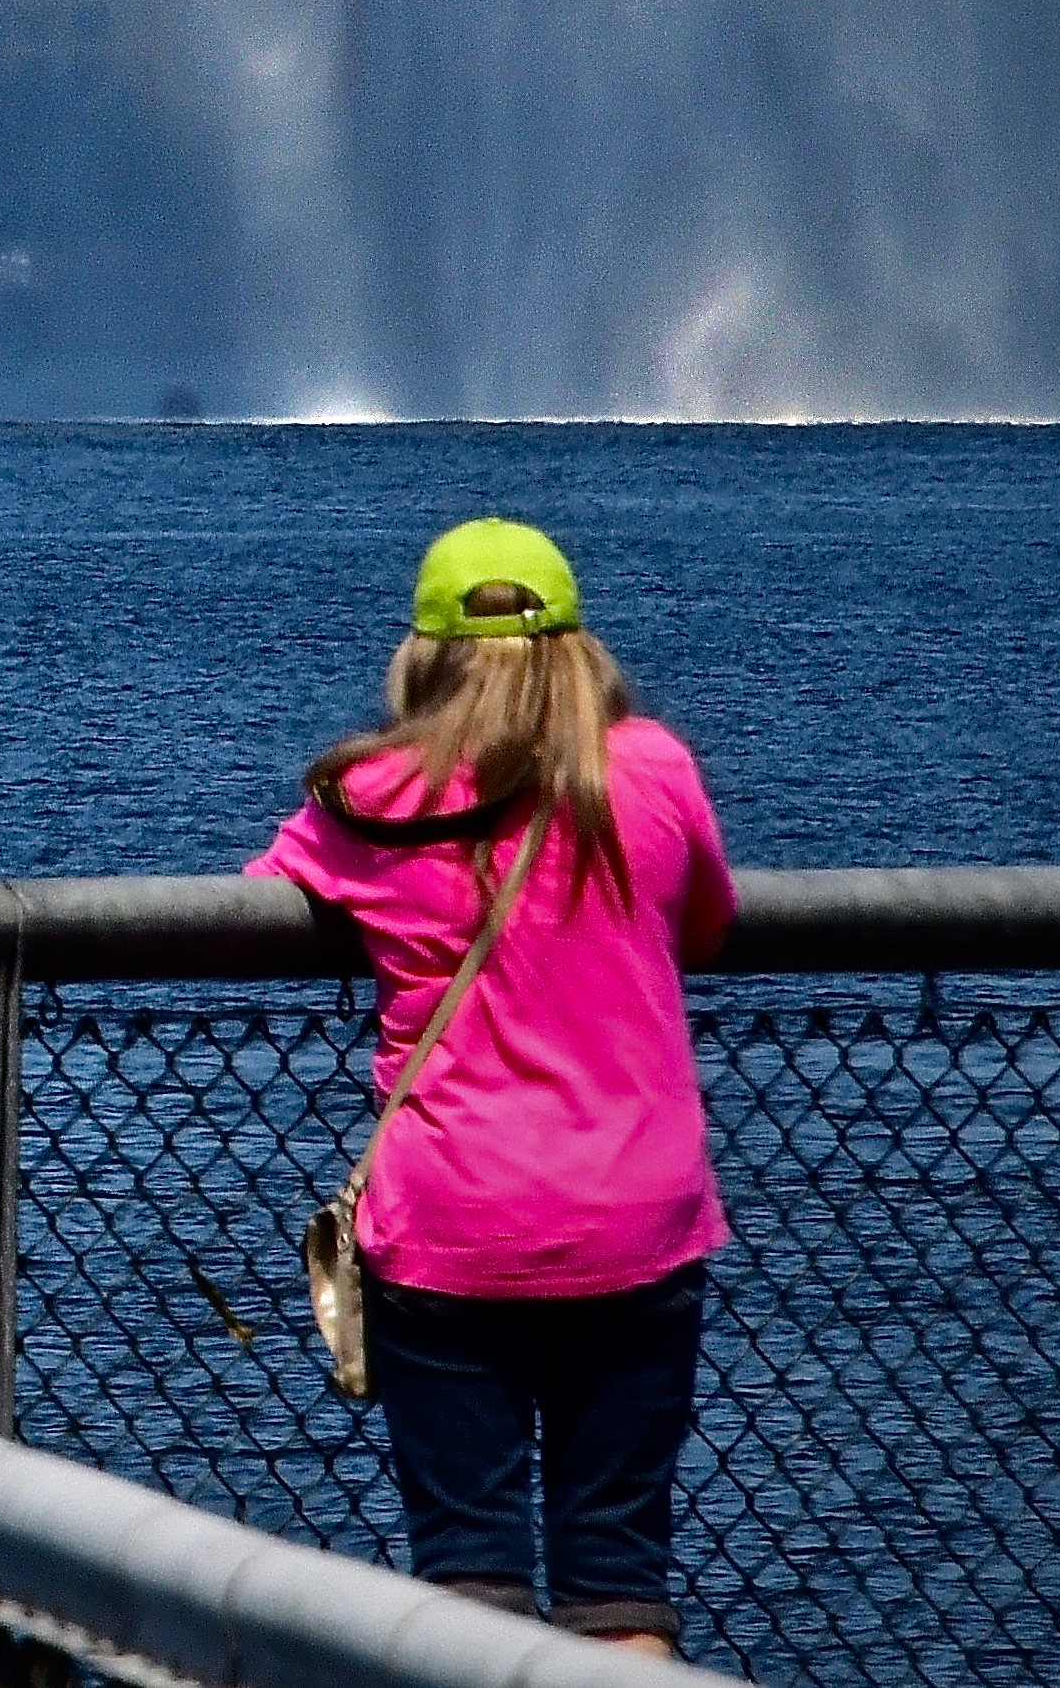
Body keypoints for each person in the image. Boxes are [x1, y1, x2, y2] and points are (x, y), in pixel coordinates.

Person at [253, 519, 734, 1656]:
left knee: (468, 1586)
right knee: (621, 1585)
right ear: (577, 646)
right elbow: (707, 923)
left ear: (423, 656)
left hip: (454, 1228)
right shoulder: (654, 769)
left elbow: (260, 894)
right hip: (635, 1221)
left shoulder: (371, 796)